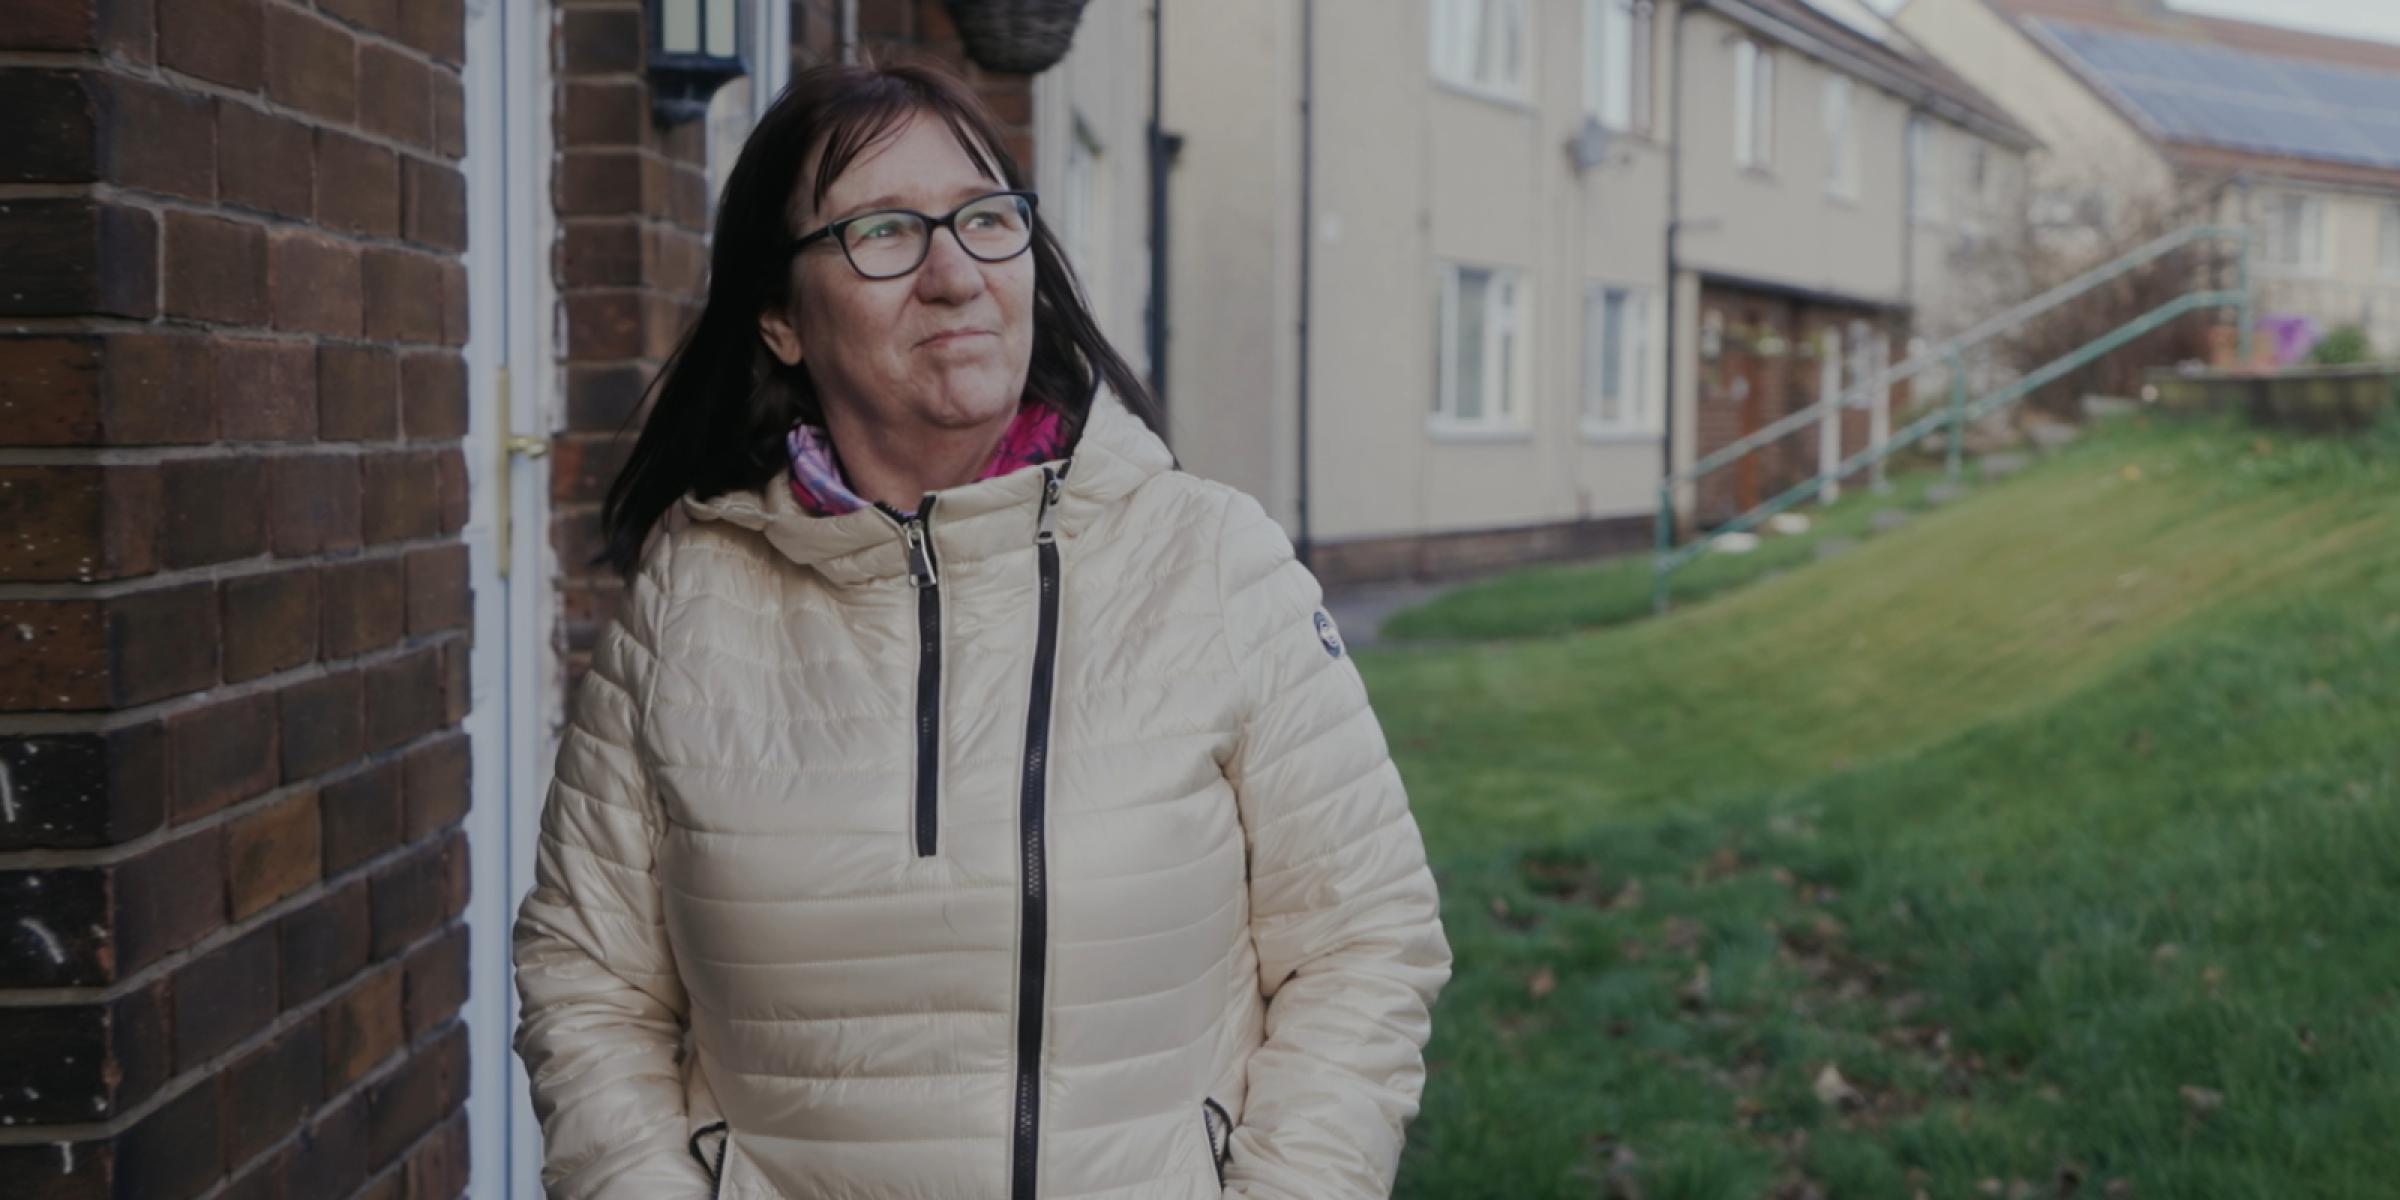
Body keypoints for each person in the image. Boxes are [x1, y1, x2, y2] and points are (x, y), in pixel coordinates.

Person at [512, 59, 1450, 1200]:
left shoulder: (1212, 562)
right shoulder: (688, 603)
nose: (954, 273)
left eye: (984, 219)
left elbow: (1362, 939)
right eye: (884, 232)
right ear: (780, 319)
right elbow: (589, 978)